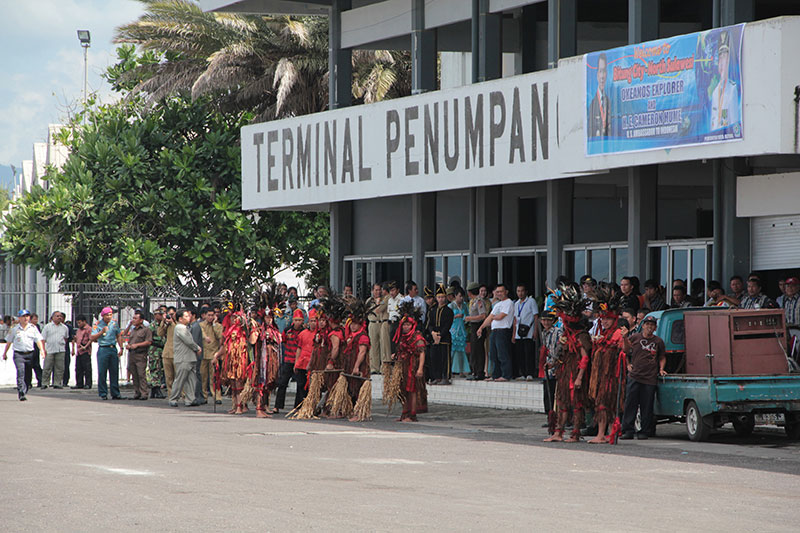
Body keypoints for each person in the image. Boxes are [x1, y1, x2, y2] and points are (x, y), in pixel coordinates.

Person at [544, 285, 592, 443]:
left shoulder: (582, 336)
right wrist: (552, 364)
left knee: (576, 404)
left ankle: (576, 433)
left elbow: (585, 358)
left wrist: (579, 377)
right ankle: (558, 432)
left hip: (575, 373)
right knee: (562, 402)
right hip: (564, 372)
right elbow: (561, 355)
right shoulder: (566, 335)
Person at [587, 286, 627, 444]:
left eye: (607, 319)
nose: (604, 321)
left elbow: (624, 349)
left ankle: (603, 434)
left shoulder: (617, 333)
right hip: (603, 375)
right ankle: (607, 433)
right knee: (604, 403)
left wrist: (625, 339)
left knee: (605, 403)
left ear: (614, 319)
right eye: (602, 319)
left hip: (611, 375)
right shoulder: (602, 333)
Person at [620, 315, 667, 440]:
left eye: (652, 325)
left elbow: (662, 356)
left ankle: (644, 431)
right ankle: (627, 430)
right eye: (647, 324)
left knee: (647, 406)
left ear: (655, 327)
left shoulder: (658, 341)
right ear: (643, 326)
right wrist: (628, 364)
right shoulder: (635, 337)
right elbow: (625, 351)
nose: (649, 327)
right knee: (630, 404)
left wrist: (661, 369)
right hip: (634, 376)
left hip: (650, 378)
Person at [392, 301, 427, 422]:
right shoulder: (403, 337)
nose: (406, 327)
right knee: (402, 389)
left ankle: (412, 415)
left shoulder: (417, 337)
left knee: (412, 390)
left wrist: (420, 369)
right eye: (404, 325)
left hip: (413, 366)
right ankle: (404, 413)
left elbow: (422, 352)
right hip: (403, 366)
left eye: (408, 325)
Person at [2, 309, 45, 401]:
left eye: (27, 316)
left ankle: (25, 388)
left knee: (28, 374)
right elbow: (9, 342)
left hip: (30, 354)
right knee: (20, 372)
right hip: (19, 354)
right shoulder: (14, 329)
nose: (26, 318)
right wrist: (5, 353)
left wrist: (42, 350)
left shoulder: (33, 328)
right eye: (23, 316)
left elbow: (38, 340)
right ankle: (21, 391)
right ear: (20, 318)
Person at [478, 284, 514, 382]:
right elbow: (489, 317)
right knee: (493, 354)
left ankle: (506, 375)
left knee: (503, 353)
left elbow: (501, 316)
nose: (499, 294)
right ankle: (496, 375)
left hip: (503, 330)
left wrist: (493, 317)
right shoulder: (497, 304)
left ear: (506, 292)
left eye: (501, 291)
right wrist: (481, 327)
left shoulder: (508, 302)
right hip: (494, 331)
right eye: (497, 292)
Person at [168, 309, 202, 408]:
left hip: (189, 357)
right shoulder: (180, 328)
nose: (189, 317)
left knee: (191, 380)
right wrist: (197, 348)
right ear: (180, 319)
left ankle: (190, 399)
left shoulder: (186, 327)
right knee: (180, 379)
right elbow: (188, 341)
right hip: (183, 358)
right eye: (186, 316)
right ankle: (173, 398)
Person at [90, 307, 123, 401]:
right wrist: (101, 332)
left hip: (113, 348)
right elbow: (92, 337)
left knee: (114, 371)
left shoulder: (114, 324)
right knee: (102, 372)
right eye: (107, 315)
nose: (109, 317)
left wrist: (121, 347)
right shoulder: (98, 325)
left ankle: (115, 393)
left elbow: (119, 335)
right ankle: (103, 393)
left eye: (110, 315)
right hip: (103, 349)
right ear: (102, 316)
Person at [275, 309, 304, 413]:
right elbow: (283, 341)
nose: (297, 322)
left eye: (300, 320)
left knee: (300, 385)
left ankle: (298, 407)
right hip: (288, 359)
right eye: (296, 320)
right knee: (282, 383)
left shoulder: (304, 331)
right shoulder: (287, 330)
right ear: (293, 320)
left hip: (299, 362)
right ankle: (277, 406)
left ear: (302, 321)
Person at [710, 31, 739, 130]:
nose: (722, 63)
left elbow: (735, 122)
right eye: (720, 57)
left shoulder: (732, 89)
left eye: (725, 57)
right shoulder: (715, 92)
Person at [538, 311, 561, 431]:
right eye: (544, 320)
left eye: (548, 320)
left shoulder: (557, 332)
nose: (546, 323)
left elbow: (557, 350)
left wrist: (553, 363)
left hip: (554, 366)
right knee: (546, 394)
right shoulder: (543, 333)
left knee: (553, 394)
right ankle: (549, 417)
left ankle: (556, 419)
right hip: (546, 366)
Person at [427, 284, 454, 385]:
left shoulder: (448, 311)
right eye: (439, 297)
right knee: (434, 357)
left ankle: (445, 377)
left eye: (442, 297)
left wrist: (440, 335)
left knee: (445, 358)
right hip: (434, 337)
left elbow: (448, 325)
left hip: (444, 337)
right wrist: (433, 333)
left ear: (445, 298)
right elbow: (430, 324)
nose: (441, 299)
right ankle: (436, 377)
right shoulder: (433, 311)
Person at [511, 283, 538, 381]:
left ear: (526, 292)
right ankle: (522, 373)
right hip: (519, 332)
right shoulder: (516, 303)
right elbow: (515, 320)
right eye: (518, 291)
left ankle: (530, 373)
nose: (520, 293)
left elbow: (536, 316)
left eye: (522, 291)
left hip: (529, 331)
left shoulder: (531, 301)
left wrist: (535, 331)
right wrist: (513, 334)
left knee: (529, 353)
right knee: (520, 353)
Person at [124, 310, 152, 400]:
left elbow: (148, 342)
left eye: (136, 318)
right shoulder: (133, 330)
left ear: (141, 320)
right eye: (133, 318)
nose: (133, 320)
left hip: (140, 354)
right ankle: (137, 392)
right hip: (132, 354)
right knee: (134, 374)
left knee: (141, 374)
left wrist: (137, 345)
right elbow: (124, 334)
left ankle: (144, 393)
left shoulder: (146, 330)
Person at [293, 309, 317, 409]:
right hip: (302, 363)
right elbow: (298, 349)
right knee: (301, 385)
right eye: (311, 321)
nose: (313, 323)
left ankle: (310, 406)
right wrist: (296, 363)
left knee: (311, 387)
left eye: (315, 321)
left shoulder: (319, 335)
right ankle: (299, 406)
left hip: (313, 364)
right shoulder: (302, 334)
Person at [464, 282, 488, 380]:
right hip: (473, 326)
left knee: (478, 350)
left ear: (470, 292)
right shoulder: (473, 301)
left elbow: (483, 315)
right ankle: (474, 371)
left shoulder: (479, 301)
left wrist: (470, 318)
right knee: (474, 350)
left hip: (478, 326)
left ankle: (479, 372)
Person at [199, 307, 223, 404]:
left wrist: (214, 325)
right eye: (208, 315)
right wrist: (205, 337)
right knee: (203, 377)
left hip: (214, 354)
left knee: (214, 377)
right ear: (205, 315)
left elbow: (220, 336)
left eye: (212, 315)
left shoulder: (218, 326)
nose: (210, 317)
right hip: (203, 354)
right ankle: (204, 396)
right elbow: (202, 334)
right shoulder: (201, 325)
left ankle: (217, 396)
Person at [41, 311, 69, 389]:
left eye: (60, 316)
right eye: (57, 316)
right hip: (49, 350)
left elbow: (66, 338)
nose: (59, 317)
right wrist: (43, 349)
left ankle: (57, 383)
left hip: (60, 350)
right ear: (52, 317)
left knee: (60, 368)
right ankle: (45, 383)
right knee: (47, 367)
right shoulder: (47, 327)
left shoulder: (64, 327)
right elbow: (42, 339)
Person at [365, 283, 387, 374]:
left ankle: (383, 368)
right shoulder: (369, 301)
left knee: (383, 345)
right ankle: (374, 368)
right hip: (373, 323)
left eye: (379, 290)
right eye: (376, 290)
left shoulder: (384, 299)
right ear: (372, 291)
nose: (378, 292)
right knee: (373, 346)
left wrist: (379, 303)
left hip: (381, 323)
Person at [449, 287, 469, 377]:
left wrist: (465, 318)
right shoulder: (451, 306)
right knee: (452, 351)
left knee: (461, 351)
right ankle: (449, 370)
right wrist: (456, 316)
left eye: (462, 296)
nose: (461, 298)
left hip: (461, 330)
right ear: (455, 296)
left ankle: (462, 370)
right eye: (460, 296)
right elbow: (448, 318)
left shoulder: (464, 305)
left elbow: (467, 316)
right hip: (453, 330)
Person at [157, 307, 178, 397]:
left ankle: (182, 394)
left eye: (172, 314)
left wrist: (172, 323)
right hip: (167, 353)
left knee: (178, 376)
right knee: (169, 377)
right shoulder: (167, 325)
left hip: (177, 353)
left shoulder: (178, 324)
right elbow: (159, 333)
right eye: (169, 314)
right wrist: (163, 321)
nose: (170, 316)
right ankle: (171, 395)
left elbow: (177, 332)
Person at [588, 52, 610, 137]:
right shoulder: (592, 105)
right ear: (597, 74)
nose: (602, 76)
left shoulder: (610, 102)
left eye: (604, 71)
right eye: (600, 71)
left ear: (607, 74)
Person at [147, 309, 167, 399]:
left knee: (160, 369)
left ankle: (155, 390)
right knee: (155, 368)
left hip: (162, 349)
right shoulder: (152, 326)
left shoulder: (164, 324)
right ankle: (156, 389)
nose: (162, 316)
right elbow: (149, 338)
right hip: (154, 349)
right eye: (160, 314)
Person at [71, 315, 92, 389]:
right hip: (79, 351)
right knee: (78, 368)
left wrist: (85, 346)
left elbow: (90, 339)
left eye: (80, 323)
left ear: (84, 321)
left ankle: (88, 383)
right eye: (77, 323)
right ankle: (79, 383)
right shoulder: (78, 330)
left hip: (85, 351)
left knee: (87, 368)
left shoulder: (88, 329)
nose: (78, 324)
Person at [781, 277, 800, 346]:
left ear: (798, 287)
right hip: (787, 331)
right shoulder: (784, 300)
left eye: (792, 286)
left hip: (798, 329)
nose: (790, 288)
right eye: (788, 286)